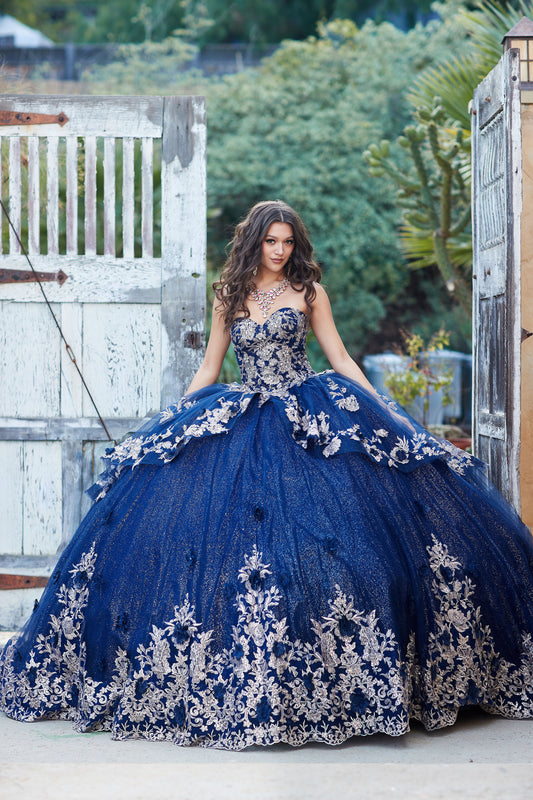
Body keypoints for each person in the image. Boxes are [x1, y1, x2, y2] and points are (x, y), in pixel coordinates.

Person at [1, 200, 533, 750]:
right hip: (242, 417)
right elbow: (210, 367)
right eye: (270, 242)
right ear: (253, 242)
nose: (280, 251)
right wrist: (170, 429)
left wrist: (387, 410)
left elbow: (343, 359)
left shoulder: (308, 292)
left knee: (340, 549)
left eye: (287, 242)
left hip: (307, 414)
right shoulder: (227, 295)